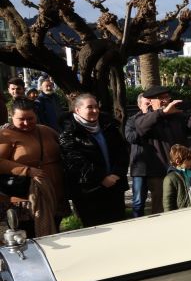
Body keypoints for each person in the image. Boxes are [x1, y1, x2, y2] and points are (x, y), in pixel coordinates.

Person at [131, 85, 191, 214]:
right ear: (151, 101)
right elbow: (140, 127)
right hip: (159, 173)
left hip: (182, 170)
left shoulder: (177, 115)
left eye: (167, 97)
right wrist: (162, 113)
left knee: (187, 202)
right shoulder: (144, 117)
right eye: (161, 98)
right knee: (163, 207)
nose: (165, 101)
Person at [58, 93, 129, 226]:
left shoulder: (109, 126)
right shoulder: (69, 132)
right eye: (90, 107)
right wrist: (101, 178)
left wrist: (116, 174)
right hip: (89, 192)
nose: (95, 110)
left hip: (115, 185)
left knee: (119, 226)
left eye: (96, 107)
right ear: (77, 110)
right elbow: (74, 162)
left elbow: (122, 152)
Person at [0, 99, 65, 236]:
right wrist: (27, 170)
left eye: (30, 118)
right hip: (26, 199)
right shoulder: (6, 135)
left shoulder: (47, 131)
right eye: (21, 119)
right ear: (12, 117)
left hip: (54, 194)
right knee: (31, 238)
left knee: (56, 232)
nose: (26, 123)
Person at [124, 93, 152, 217]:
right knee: (138, 201)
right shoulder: (132, 120)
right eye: (147, 104)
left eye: (151, 103)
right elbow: (130, 137)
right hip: (140, 168)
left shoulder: (160, 118)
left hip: (158, 166)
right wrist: (146, 124)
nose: (149, 106)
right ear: (139, 105)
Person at [162, 144, 191, 211]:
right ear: (178, 161)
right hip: (184, 215)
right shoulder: (170, 179)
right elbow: (168, 204)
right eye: (188, 159)